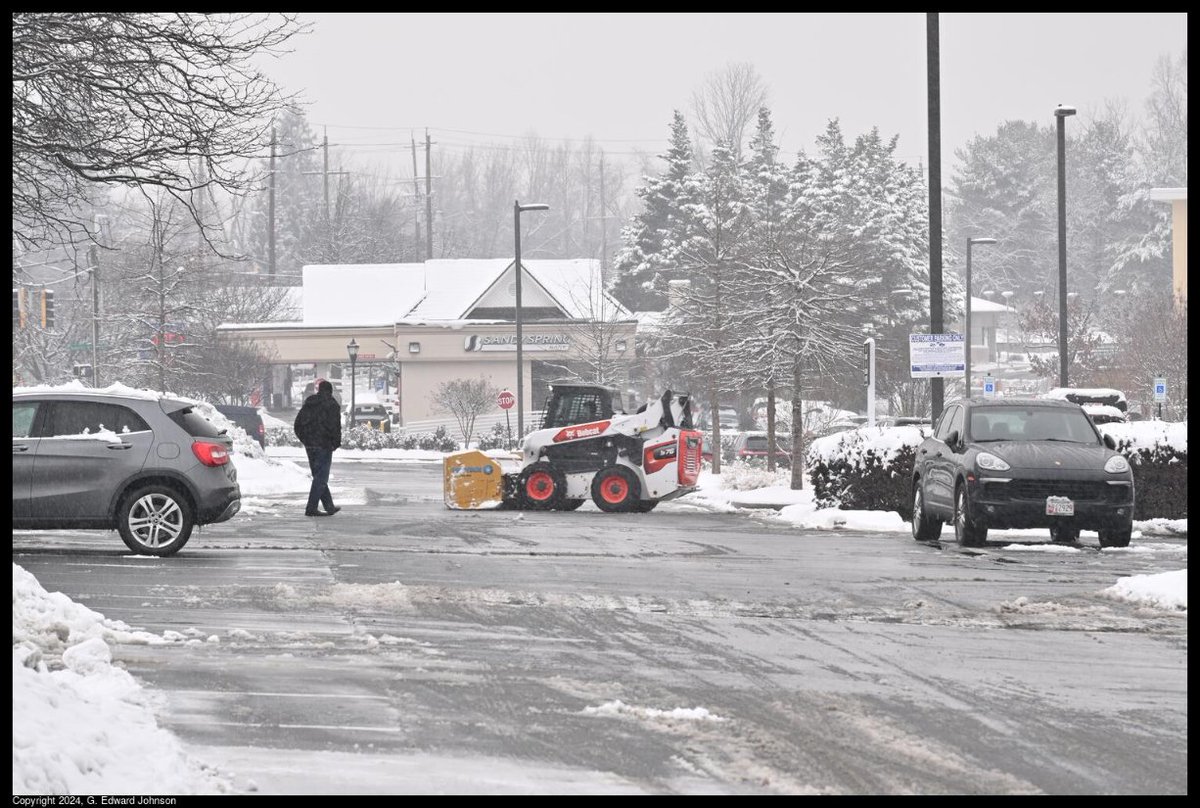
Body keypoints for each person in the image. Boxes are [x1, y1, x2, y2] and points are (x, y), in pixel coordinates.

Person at [293, 379, 342, 517]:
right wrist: (335, 443)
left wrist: (305, 439)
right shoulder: (332, 405)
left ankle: (329, 506)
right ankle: (311, 508)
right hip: (324, 445)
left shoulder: (309, 403)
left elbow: (297, 425)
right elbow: (335, 427)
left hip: (310, 445)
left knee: (318, 476)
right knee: (321, 477)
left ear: (319, 390)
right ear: (330, 391)